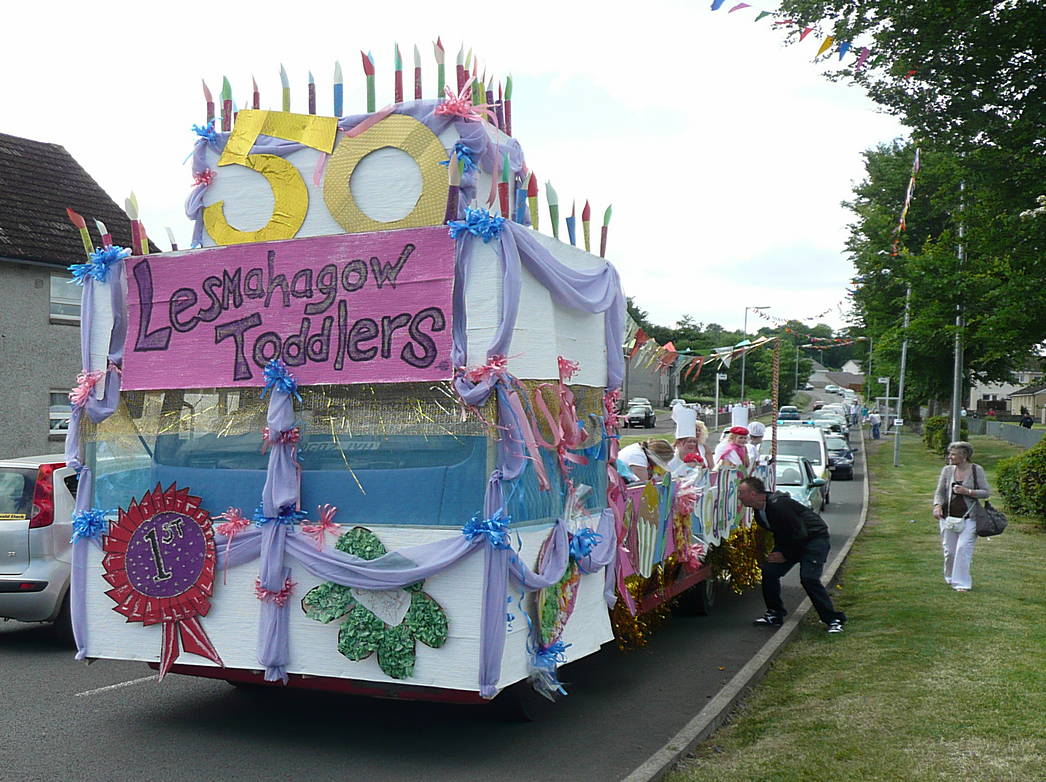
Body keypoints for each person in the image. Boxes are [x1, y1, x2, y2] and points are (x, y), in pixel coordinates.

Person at [738, 476, 846, 633]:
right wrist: (777, 552)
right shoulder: (759, 510)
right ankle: (775, 614)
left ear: (753, 494)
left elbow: (799, 532)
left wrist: (785, 555)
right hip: (792, 543)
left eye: (741, 492)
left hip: (814, 539)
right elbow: (782, 533)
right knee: (769, 572)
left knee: (809, 578)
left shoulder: (778, 505)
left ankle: (833, 619)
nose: (739, 496)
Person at [932, 441, 991, 592]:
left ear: (964, 456)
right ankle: (950, 577)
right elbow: (940, 491)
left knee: (963, 549)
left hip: (969, 518)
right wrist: (937, 506)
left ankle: (961, 583)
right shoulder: (947, 470)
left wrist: (968, 492)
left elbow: (986, 492)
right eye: (950, 453)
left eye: (953, 454)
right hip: (948, 517)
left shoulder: (977, 470)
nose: (950, 457)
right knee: (950, 551)